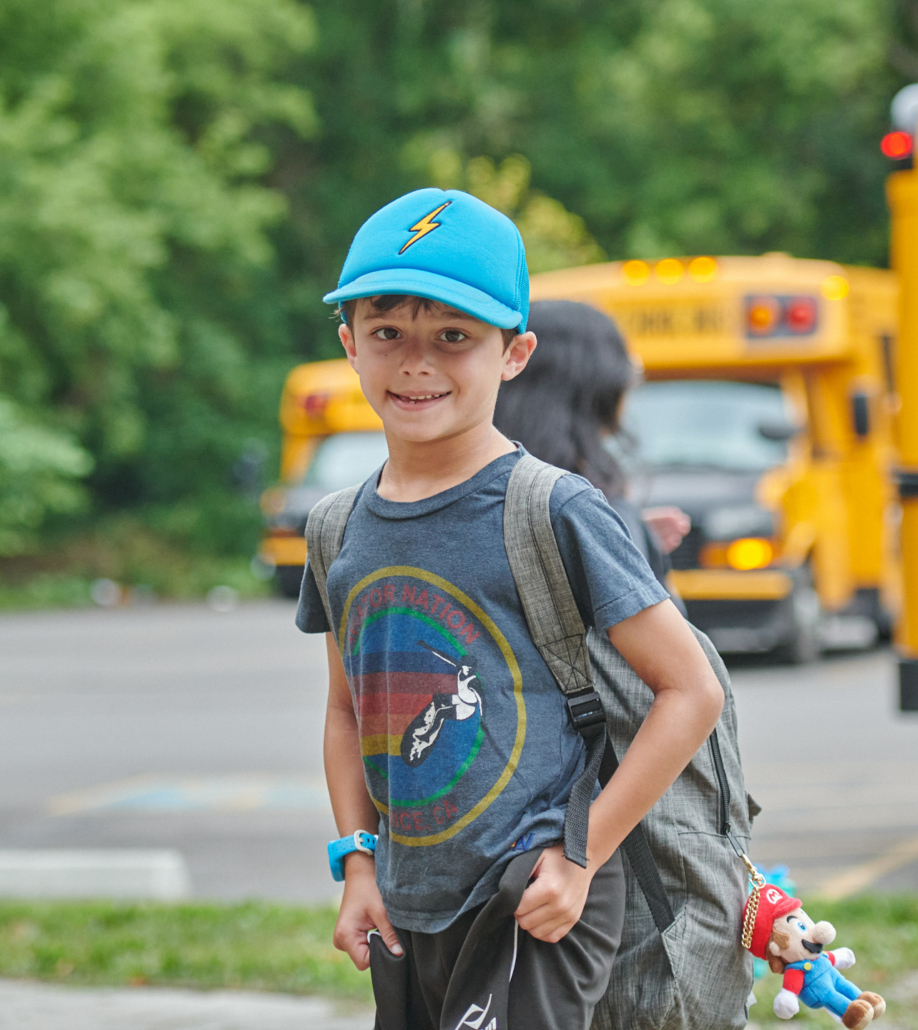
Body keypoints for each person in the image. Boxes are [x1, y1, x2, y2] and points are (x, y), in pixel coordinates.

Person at [295, 187, 724, 1029]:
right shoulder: (336, 527)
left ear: (515, 353)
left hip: (533, 886)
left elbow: (691, 690)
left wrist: (580, 856)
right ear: (349, 343)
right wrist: (358, 863)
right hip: (410, 898)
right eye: (388, 333)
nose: (416, 363)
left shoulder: (554, 508)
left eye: (454, 337)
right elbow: (349, 713)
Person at [494, 299, 689, 597]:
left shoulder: (478, 490)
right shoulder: (581, 500)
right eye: (631, 370)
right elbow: (662, 625)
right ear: (601, 385)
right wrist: (615, 535)